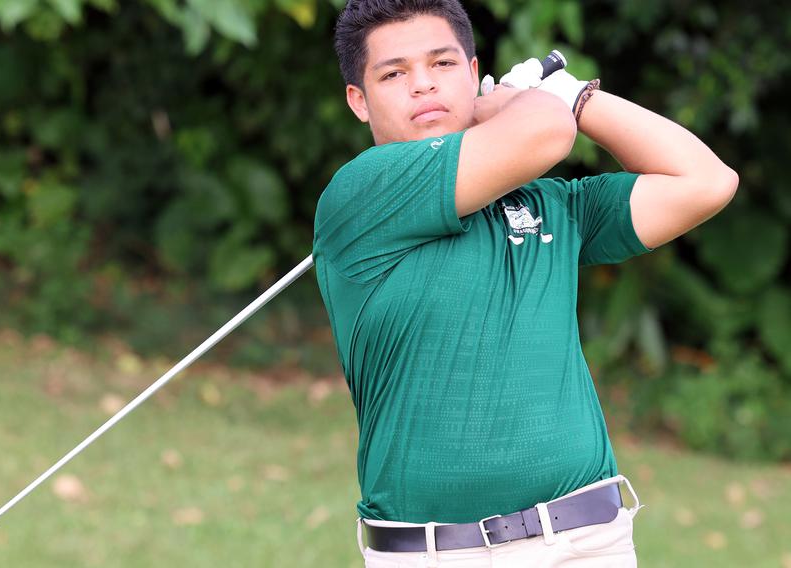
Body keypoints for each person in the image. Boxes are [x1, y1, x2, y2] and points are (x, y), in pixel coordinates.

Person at [312, 0, 738, 566]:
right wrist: (531, 103)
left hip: (588, 543)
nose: (422, 86)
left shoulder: (552, 205)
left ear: (472, 72)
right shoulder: (360, 194)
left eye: (442, 64)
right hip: (435, 555)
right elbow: (543, 134)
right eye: (393, 73)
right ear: (358, 101)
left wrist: (579, 96)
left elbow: (706, 180)